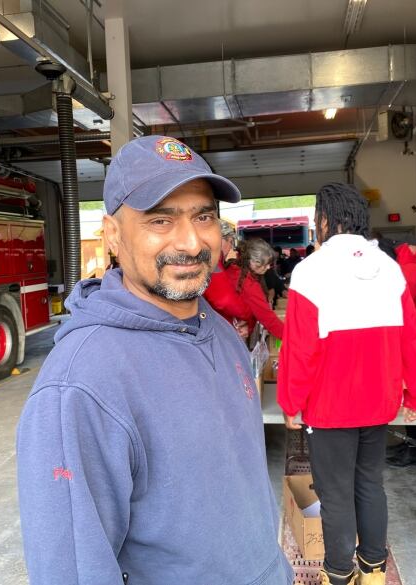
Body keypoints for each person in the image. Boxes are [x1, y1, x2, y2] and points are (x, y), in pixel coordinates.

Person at [16, 136, 294, 585]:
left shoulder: (220, 333)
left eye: (204, 216)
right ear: (112, 235)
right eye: (160, 220)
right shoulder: (81, 385)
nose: (190, 241)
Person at [278, 183, 416, 585]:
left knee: (335, 495)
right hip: (378, 403)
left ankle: (337, 573)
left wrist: (290, 401)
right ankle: (374, 571)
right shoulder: (389, 267)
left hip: (330, 408)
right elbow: (411, 339)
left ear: (325, 220)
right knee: (370, 484)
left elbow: (300, 348)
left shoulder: (310, 271)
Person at [378, 237, 416, 468]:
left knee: (414, 397)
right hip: (414, 337)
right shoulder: (406, 267)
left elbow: (394, 308)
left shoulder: (409, 272)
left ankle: (415, 450)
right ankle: (412, 444)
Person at [225, 237, 285, 340]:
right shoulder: (248, 284)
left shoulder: (234, 269)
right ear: (253, 262)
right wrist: (292, 337)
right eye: (265, 264)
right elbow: (268, 319)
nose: (268, 268)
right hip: (231, 334)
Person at [203, 219, 250, 336]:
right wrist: (246, 314)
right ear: (221, 239)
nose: (230, 248)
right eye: (231, 242)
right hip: (210, 330)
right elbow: (224, 300)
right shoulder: (211, 260)